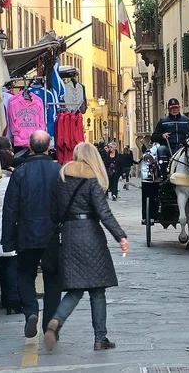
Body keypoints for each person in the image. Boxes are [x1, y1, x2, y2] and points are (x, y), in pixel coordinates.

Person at [44, 143, 129, 352]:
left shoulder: (61, 179)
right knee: (98, 290)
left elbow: (53, 212)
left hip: (70, 235)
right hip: (91, 234)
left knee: (75, 289)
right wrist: (121, 236)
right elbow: (104, 212)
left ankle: (56, 320)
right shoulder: (92, 180)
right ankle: (100, 338)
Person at [1, 130, 62, 338]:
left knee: (25, 274)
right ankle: (49, 326)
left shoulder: (19, 172)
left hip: (26, 233)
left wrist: (7, 241)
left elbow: (10, 209)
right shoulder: (59, 171)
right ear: (49, 147)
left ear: (29, 147)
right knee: (53, 280)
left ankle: (30, 312)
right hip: (53, 235)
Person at [0, 141, 20, 314]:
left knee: (3, 263)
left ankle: (7, 299)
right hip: (11, 223)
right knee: (13, 263)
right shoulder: (12, 180)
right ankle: (14, 299)